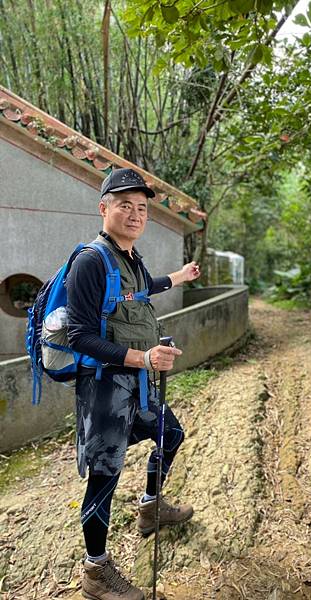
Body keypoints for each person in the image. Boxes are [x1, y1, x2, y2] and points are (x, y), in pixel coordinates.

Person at [66, 167, 200, 600]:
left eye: (142, 208)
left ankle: (150, 507)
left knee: (171, 434)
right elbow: (79, 336)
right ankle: (95, 572)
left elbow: (144, 289)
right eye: (125, 205)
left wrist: (179, 277)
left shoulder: (130, 259)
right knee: (104, 477)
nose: (135, 213)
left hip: (138, 387)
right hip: (105, 390)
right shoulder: (90, 261)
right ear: (104, 208)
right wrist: (142, 357)